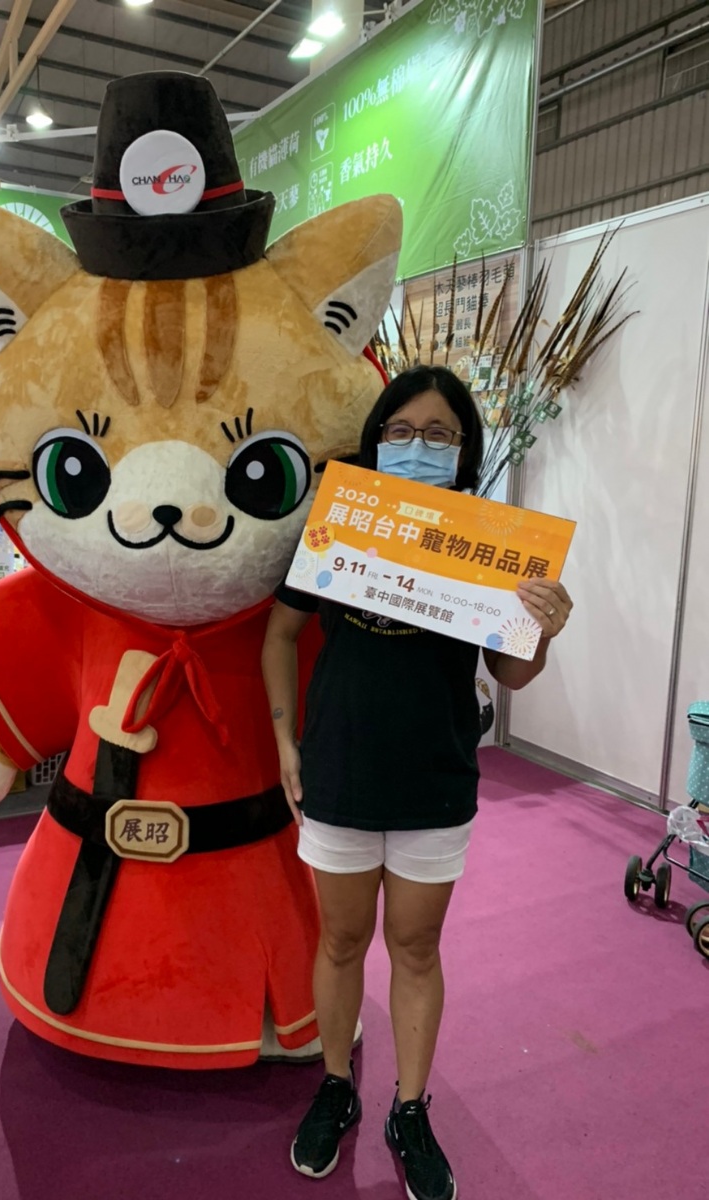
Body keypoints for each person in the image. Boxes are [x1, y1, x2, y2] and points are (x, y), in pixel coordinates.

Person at [262, 366, 573, 1200]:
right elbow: (280, 634)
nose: (416, 447)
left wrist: (542, 628)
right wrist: (285, 738)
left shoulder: (490, 545)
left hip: (435, 774)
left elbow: (509, 672)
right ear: (374, 441)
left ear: (463, 450)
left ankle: (408, 1107)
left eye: (438, 434)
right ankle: (335, 1086)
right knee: (338, 941)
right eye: (399, 431)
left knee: (414, 945)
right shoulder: (339, 523)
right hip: (337, 768)